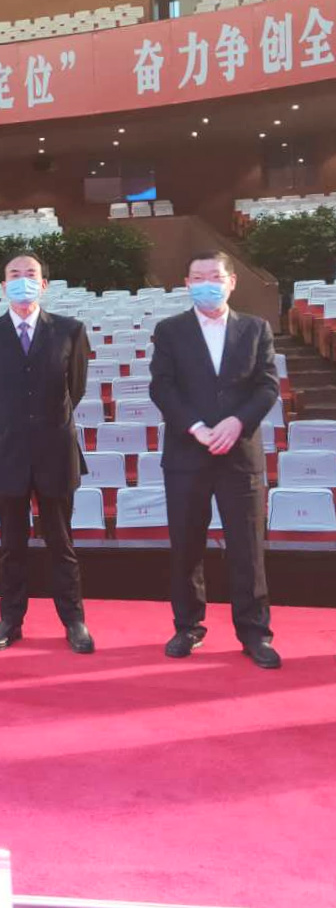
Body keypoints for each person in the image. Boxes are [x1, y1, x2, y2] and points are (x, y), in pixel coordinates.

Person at [149, 251, 281, 668]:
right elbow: (162, 387)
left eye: (216, 276)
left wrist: (237, 422)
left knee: (247, 547)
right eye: (199, 277)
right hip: (188, 452)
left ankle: (255, 632)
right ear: (187, 283)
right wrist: (196, 427)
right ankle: (188, 626)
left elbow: (267, 386)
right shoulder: (170, 331)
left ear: (232, 282)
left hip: (239, 453)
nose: (208, 283)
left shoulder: (256, 328)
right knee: (186, 544)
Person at [0, 250, 94, 654]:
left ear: (43, 284)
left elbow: (75, 388)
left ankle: (73, 620)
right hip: (8, 451)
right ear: (3, 285)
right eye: (14, 274)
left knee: (62, 542)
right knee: (12, 545)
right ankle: (10, 619)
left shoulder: (70, 331)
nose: (22, 280)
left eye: (30, 274)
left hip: (55, 450)